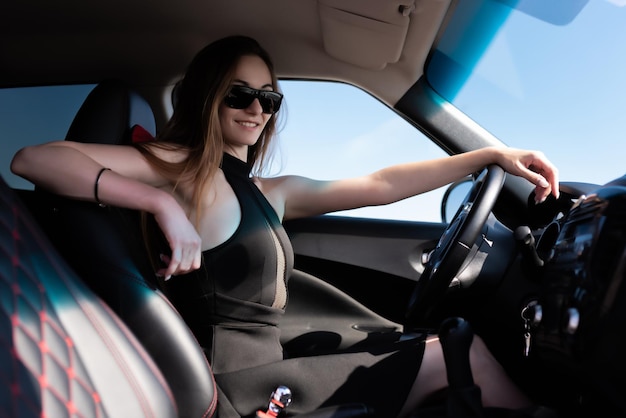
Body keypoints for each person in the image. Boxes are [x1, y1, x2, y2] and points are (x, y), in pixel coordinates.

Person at [11, 36, 559, 417]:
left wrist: (487, 155)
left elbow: (379, 184)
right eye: (240, 94)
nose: (257, 110)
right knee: (467, 356)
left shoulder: (268, 191)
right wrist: (161, 205)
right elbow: (35, 160)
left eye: (269, 99)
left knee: (447, 342)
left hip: (277, 361)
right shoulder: (179, 168)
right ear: (208, 97)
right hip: (238, 392)